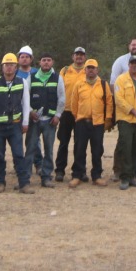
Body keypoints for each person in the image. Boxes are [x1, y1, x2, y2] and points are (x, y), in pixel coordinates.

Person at [0, 53, 34, 193]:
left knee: (19, 154)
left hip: (15, 125)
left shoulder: (22, 82)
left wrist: (25, 122)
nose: (9, 68)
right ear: (2, 67)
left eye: (11, 65)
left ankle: (24, 184)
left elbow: (26, 104)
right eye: (6, 65)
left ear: (16, 67)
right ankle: (0, 183)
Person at [68, 58, 113, 187]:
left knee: (97, 150)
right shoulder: (79, 84)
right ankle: (77, 175)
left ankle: (96, 176)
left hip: (98, 123)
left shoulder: (103, 85)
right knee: (79, 149)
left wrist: (108, 119)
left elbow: (109, 103)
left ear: (97, 70)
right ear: (85, 70)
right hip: (82, 122)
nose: (91, 70)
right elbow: (73, 103)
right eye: (88, 68)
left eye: (93, 68)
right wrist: (78, 117)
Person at [112, 53, 136, 190]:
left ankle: (133, 175)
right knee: (126, 147)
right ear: (128, 65)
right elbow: (119, 99)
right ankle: (124, 177)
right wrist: (134, 111)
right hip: (126, 119)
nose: (134, 65)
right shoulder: (121, 80)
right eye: (132, 63)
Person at [27, 50, 62, 188]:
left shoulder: (58, 78)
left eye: (49, 60)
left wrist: (58, 115)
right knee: (30, 148)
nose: (46, 62)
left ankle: (46, 177)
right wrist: (30, 112)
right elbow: (25, 97)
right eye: (44, 60)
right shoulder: (31, 77)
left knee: (49, 149)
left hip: (50, 121)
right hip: (34, 121)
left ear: (52, 62)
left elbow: (62, 98)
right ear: (39, 62)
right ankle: (25, 177)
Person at [54, 45, 88, 182]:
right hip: (66, 111)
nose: (79, 57)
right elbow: (59, 90)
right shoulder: (65, 70)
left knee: (80, 143)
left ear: (85, 57)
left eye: (81, 54)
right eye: (76, 54)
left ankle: (80, 171)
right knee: (63, 142)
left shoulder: (88, 70)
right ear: (72, 57)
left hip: (81, 112)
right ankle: (60, 170)